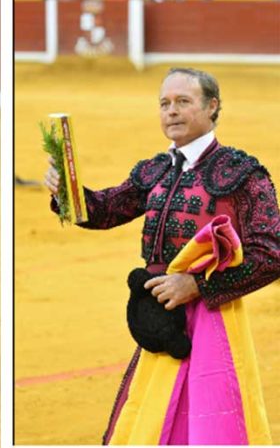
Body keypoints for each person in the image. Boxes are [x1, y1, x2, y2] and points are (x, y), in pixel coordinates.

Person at [45, 68, 279, 444]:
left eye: (183, 102)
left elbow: (270, 254)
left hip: (212, 314)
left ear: (212, 106)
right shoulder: (156, 170)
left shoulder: (243, 173)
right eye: (165, 104)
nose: (171, 111)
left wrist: (197, 285)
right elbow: (106, 210)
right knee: (153, 409)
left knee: (209, 411)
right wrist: (66, 193)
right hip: (159, 311)